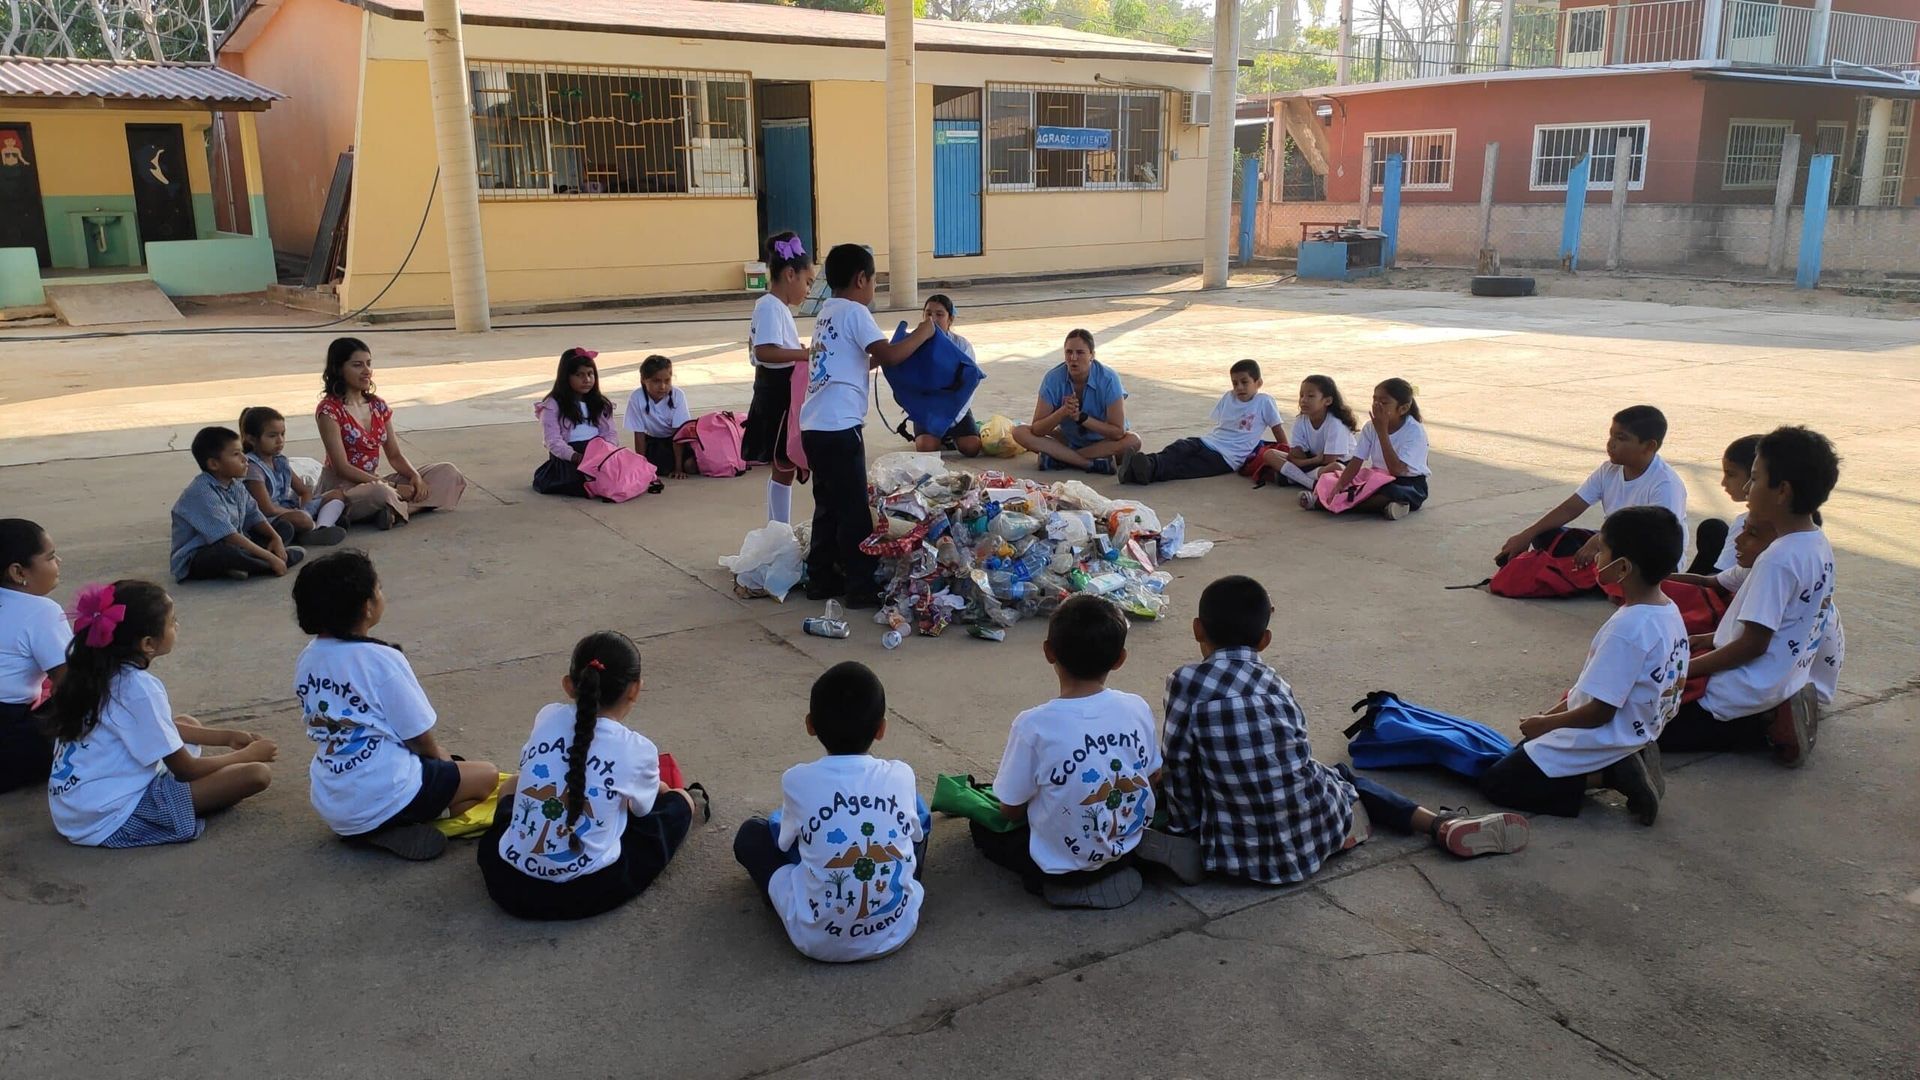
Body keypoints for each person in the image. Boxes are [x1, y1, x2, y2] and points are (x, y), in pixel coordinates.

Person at [1144, 575, 1528, 886]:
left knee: (1159, 785)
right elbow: (1294, 751)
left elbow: (1178, 762)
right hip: (1307, 832)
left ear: (1197, 629)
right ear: (1264, 640)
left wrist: (1184, 828)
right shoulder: (1274, 683)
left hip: (1232, 852)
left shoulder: (1185, 682)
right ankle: (1439, 824)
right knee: (1339, 776)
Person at [1480, 507, 1690, 826]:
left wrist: (1547, 725)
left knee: (1499, 782)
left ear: (1622, 568)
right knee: (1520, 752)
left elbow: (1599, 713)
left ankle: (1609, 774)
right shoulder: (1667, 609)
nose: (1593, 555)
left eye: (1600, 548)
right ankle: (1619, 762)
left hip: (1607, 733)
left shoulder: (1628, 628)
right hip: (1637, 727)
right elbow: (1593, 693)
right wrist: (1548, 717)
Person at [478, 632, 708, 920]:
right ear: (635, 689)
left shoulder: (547, 715)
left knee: (513, 782)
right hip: (585, 892)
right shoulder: (637, 749)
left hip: (508, 882)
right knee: (680, 802)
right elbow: (643, 810)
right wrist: (667, 791)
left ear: (568, 685)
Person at [291, 550, 502, 860]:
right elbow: (419, 736)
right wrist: (442, 761)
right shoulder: (382, 661)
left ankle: (374, 826)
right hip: (385, 792)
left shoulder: (309, 657)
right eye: (379, 589)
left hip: (333, 804)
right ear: (367, 607)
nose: (381, 594)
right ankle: (403, 821)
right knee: (486, 777)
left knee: (449, 771)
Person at [44, 580, 275, 847]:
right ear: (148, 644)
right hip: (112, 817)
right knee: (256, 774)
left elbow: (158, 728)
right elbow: (187, 769)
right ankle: (178, 807)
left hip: (73, 810)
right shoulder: (138, 688)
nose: (177, 626)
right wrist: (246, 755)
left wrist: (225, 737)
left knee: (186, 723)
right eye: (172, 621)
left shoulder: (92, 674)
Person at [1659, 426, 1839, 767]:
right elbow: (1788, 623)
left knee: (1634, 725)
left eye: (1754, 479)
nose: (1746, 488)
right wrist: (1713, 638)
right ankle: (1774, 711)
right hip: (1780, 680)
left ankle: (1761, 728)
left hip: (1733, 698)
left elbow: (1752, 645)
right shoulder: (1817, 543)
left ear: (1782, 491)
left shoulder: (1776, 558)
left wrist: (1683, 672)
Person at [734, 660, 928, 961]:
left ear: (810, 725)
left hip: (817, 941)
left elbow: (784, 844)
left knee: (752, 834)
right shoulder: (901, 774)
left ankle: (785, 902)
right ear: (882, 729)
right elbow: (915, 833)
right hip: (898, 930)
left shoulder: (796, 779)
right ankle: (897, 888)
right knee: (917, 810)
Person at [975, 595, 1160, 909]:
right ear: (1120, 659)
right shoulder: (1136, 707)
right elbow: (1154, 775)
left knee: (982, 828)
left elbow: (1010, 810)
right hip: (1127, 844)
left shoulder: (1033, 725)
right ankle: (1132, 856)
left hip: (1064, 871)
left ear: (1048, 652)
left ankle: (1071, 882)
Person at [799, 243, 934, 609]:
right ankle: (859, 586)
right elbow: (887, 355)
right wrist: (924, 332)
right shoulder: (857, 312)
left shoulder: (827, 312)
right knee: (854, 510)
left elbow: (858, 360)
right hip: (841, 428)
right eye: (875, 281)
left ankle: (821, 577)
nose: (874, 288)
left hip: (814, 425)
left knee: (827, 505)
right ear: (861, 279)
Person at [1495, 405, 1689, 569]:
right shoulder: (1608, 470)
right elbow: (1571, 507)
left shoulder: (1665, 484)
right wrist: (1527, 534)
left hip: (1650, 555)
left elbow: (1658, 538)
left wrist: (1599, 541)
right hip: (1613, 542)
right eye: (1611, 435)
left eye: (1621, 438)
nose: (1610, 444)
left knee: (1617, 564)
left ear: (1648, 446)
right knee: (1545, 535)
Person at [315, 336, 467, 529]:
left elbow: (394, 455)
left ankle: (398, 511)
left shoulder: (377, 405)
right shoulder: (329, 410)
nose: (366, 371)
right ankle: (395, 507)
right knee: (380, 493)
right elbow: (341, 467)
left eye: (369, 364)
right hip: (344, 488)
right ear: (338, 369)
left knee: (448, 472)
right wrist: (393, 487)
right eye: (357, 365)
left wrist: (415, 478)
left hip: (374, 480)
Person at [170, 426, 306, 582]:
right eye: (236, 454)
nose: (245, 458)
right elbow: (229, 536)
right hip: (200, 555)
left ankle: (245, 565)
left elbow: (254, 515)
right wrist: (270, 558)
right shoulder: (201, 492)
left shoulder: (236, 484)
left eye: (242, 452)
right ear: (214, 464)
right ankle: (269, 563)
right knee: (224, 554)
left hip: (238, 542)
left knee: (284, 527)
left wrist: (276, 538)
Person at [1119, 359, 1285, 486]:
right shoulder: (1229, 397)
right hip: (1208, 441)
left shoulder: (1264, 402)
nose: (1239, 387)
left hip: (1227, 457)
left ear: (1258, 383)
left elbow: (1277, 429)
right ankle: (1142, 465)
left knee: (1186, 468)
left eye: (1245, 382)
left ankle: (1140, 470)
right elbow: (1223, 425)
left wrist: (1285, 452)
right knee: (1178, 448)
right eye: (1235, 383)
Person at [744, 231, 814, 524]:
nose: (809, 289)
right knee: (783, 463)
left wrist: (795, 351)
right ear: (789, 274)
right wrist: (805, 354)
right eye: (807, 281)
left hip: (781, 391)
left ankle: (777, 528)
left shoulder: (777, 308)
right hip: (776, 394)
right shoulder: (771, 307)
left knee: (783, 466)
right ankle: (779, 530)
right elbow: (766, 351)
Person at [1011, 329, 1142, 475]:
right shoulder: (1053, 379)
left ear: (1092, 355)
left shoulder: (1109, 379)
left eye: (1080, 353)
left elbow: (1117, 432)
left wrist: (1082, 418)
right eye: (1069, 352)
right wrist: (1062, 412)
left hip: (1103, 442)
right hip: (1069, 439)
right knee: (1019, 431)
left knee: (1133, 441)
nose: (1073, 358)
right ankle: (1088, 463)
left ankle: (1061, 458)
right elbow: (1037, 429)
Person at [1, 519, 68, 793]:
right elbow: (71, 684)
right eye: (50, 557)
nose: (59, 562)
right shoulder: (41, 611)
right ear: (18, 572)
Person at [1305, 378, 1429, 518]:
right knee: (1329, 479)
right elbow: (1356, 461)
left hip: (1407, 483)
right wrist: (1339, 485)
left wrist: (1382, 432)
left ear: (1403, 408)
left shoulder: (1414, 431)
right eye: (1374, 400)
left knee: (1388, 491)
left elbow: (1396, 470)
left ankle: (1329, 504)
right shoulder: (1370, 427)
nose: (1377, 406)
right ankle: (1391, 507)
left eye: (1384, 402)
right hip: (1377, 477)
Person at [238, 406, 347, 546]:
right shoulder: (253, 467)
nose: (280, 440)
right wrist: (301, 514)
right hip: (267, 518)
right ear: (251, 439)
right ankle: (317, 526)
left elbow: (304, 491)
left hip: (289, 509)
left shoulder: (280, 461)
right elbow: (267, 508)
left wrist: (305, 508)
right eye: (272, 436)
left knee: (337, 494)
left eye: (282, 434)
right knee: (301, 519)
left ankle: (321, 527)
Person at [532, 347, 621, 497]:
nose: (587, 380)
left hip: (598, 452)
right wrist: (575, 457)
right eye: (579, 375)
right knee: (576, 480)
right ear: (566, 377)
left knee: (621, 470)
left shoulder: (600, 403)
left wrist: (606, 452)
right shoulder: (552, 404)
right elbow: (552, 440)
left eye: (590, 374)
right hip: (570, 456)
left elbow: (610, 432)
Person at [1252, 374, 1356, 490]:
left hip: (1339, 463)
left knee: (1335, 468)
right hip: (1313, 460)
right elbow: (1294, 456)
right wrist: (1313, 460)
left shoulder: (1335, 423)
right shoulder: (1301, 420)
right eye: (1301, 396)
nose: (1303, 400)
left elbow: (1329, 461)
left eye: (1311, 396)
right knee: (1270, 454)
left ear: (1327, 401)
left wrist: (1300, 463)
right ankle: (1310, 483)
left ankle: (1293, 477)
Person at [912, 294, 984, 458]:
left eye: (939, 314)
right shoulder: (912, 343)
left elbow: (970, 385)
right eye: (928, 313)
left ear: (950, 319)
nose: (933, 319)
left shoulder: (962, 346)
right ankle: (939, 436)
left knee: (971, 447)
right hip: (927, 409)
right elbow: (906, 383)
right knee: (927, 448)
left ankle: (949, 434)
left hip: (955, 408)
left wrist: (953, 418)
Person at [625, 354, 694, 479]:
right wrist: (642, 466)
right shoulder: (636, 397)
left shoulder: (678, 395)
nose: (662, 386)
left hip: (678, 440)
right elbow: (639, 434)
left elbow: (678, 433)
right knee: (654, 468)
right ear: (643, 380)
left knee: (690, 466)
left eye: (667, 381)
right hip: (654, 441)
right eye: (656, 381)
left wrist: (679, 468)